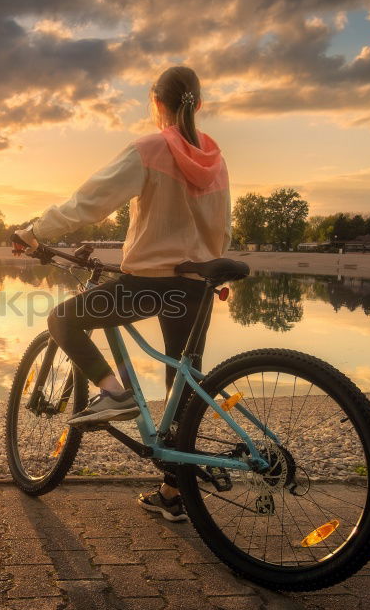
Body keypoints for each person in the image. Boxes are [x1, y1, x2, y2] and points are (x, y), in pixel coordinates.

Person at [14, 66, 231, 522]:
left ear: (158, 105)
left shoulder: (152, 149)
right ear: (199, 103)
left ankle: (116, 392)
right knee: (182, 387)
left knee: (63, 319)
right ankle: (175, 493)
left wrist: (36, 232)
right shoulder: (214, 157)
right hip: (197, 283)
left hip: (150, 284)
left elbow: (89, 201)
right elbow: (220, 224)